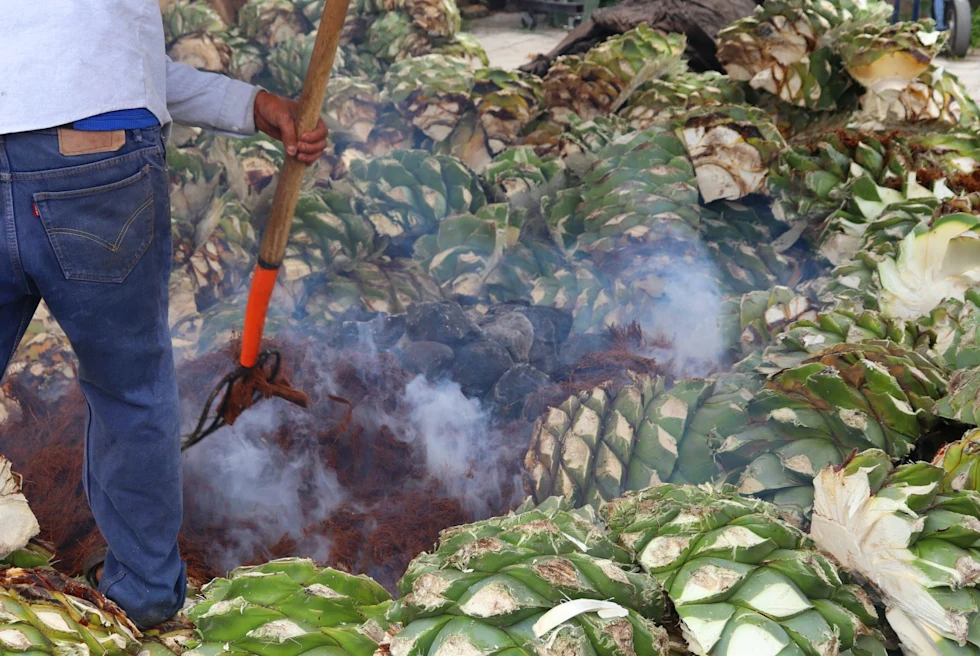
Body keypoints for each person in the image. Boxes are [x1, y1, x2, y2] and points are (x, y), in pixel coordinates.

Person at [0, 1, 328, 629]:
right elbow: (101, 58)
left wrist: (249, 102)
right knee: (130, 391)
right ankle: (143, 598)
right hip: (93, 156)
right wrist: (250, 101)